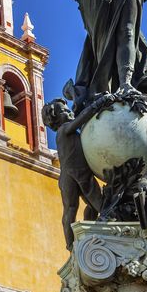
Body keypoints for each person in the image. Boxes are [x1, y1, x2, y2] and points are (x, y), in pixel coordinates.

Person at [42, 97, 106, 250]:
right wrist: (97, 104)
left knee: (73, 208)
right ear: (55, 119)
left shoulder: (63, 133)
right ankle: (79, 240)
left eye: (68, 109)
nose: (69, 112)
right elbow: (81, 119)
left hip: (66, 176)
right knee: (99, 205)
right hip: (80, 173)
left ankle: (73, 243)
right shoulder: (64, 129)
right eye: (64, 111)